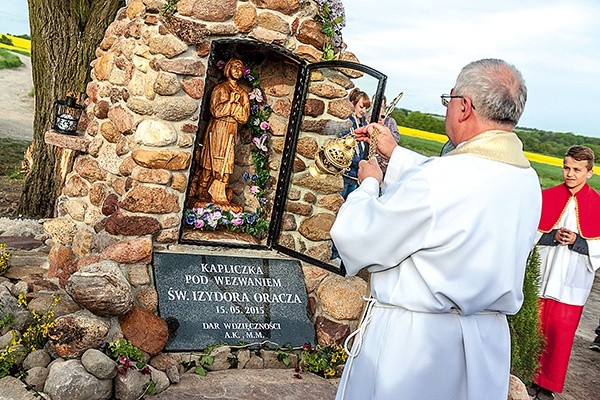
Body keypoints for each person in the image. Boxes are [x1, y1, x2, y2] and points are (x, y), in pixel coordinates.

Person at [330, 59, 541, 400]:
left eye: (449, 100)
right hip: (484, 345)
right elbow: (460, 187)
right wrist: (395, 154)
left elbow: (358, 239)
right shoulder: (526, 179)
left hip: (416, 348)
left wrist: (369, 186)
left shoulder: (440, 181)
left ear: (464, 107)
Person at [529, 145, 600, 400]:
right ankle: (526, 375)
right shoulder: (545, 196)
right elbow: (528, 232)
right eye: (567, 167)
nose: (570, 174)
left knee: (560, 333)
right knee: (533, 326)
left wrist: (579, 242)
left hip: (571, 281)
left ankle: (546, 385)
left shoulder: (597, 204)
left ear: (589, 173)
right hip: (543, 277)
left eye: (577, 170)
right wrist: (551, 236)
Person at [191, 58, 250, 210]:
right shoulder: (220, 89)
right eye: (234, 67)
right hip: (217, 129)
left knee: (226, 163)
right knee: (210, 162)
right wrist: (231, 104)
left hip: (231, 130)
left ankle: (220, 192)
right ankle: (202, 192)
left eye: (240, 67)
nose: (237, 70)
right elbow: (216, 111)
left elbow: (243, 117)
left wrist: (233, 107)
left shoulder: (243, 94)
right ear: (228, 69)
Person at [339, 88, 371, 200]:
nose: (364, 111)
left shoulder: (363, 123)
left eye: (366, 108)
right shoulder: (347, 122)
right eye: (361, 107)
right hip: (345, 173)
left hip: (355, 175)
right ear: (353, 104)